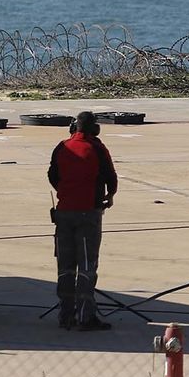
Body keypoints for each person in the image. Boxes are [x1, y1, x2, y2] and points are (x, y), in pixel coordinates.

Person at [48, 111, 118, 331]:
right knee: (87, 267)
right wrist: (109, 195)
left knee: (65, 266)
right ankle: (85, 316)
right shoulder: (97, 148)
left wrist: (66, 192)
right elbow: (111, 177)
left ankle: (65, 315)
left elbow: (52, 175)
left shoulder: (62, 147)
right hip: (88, 213)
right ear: (94, 128)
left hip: (64, 214)